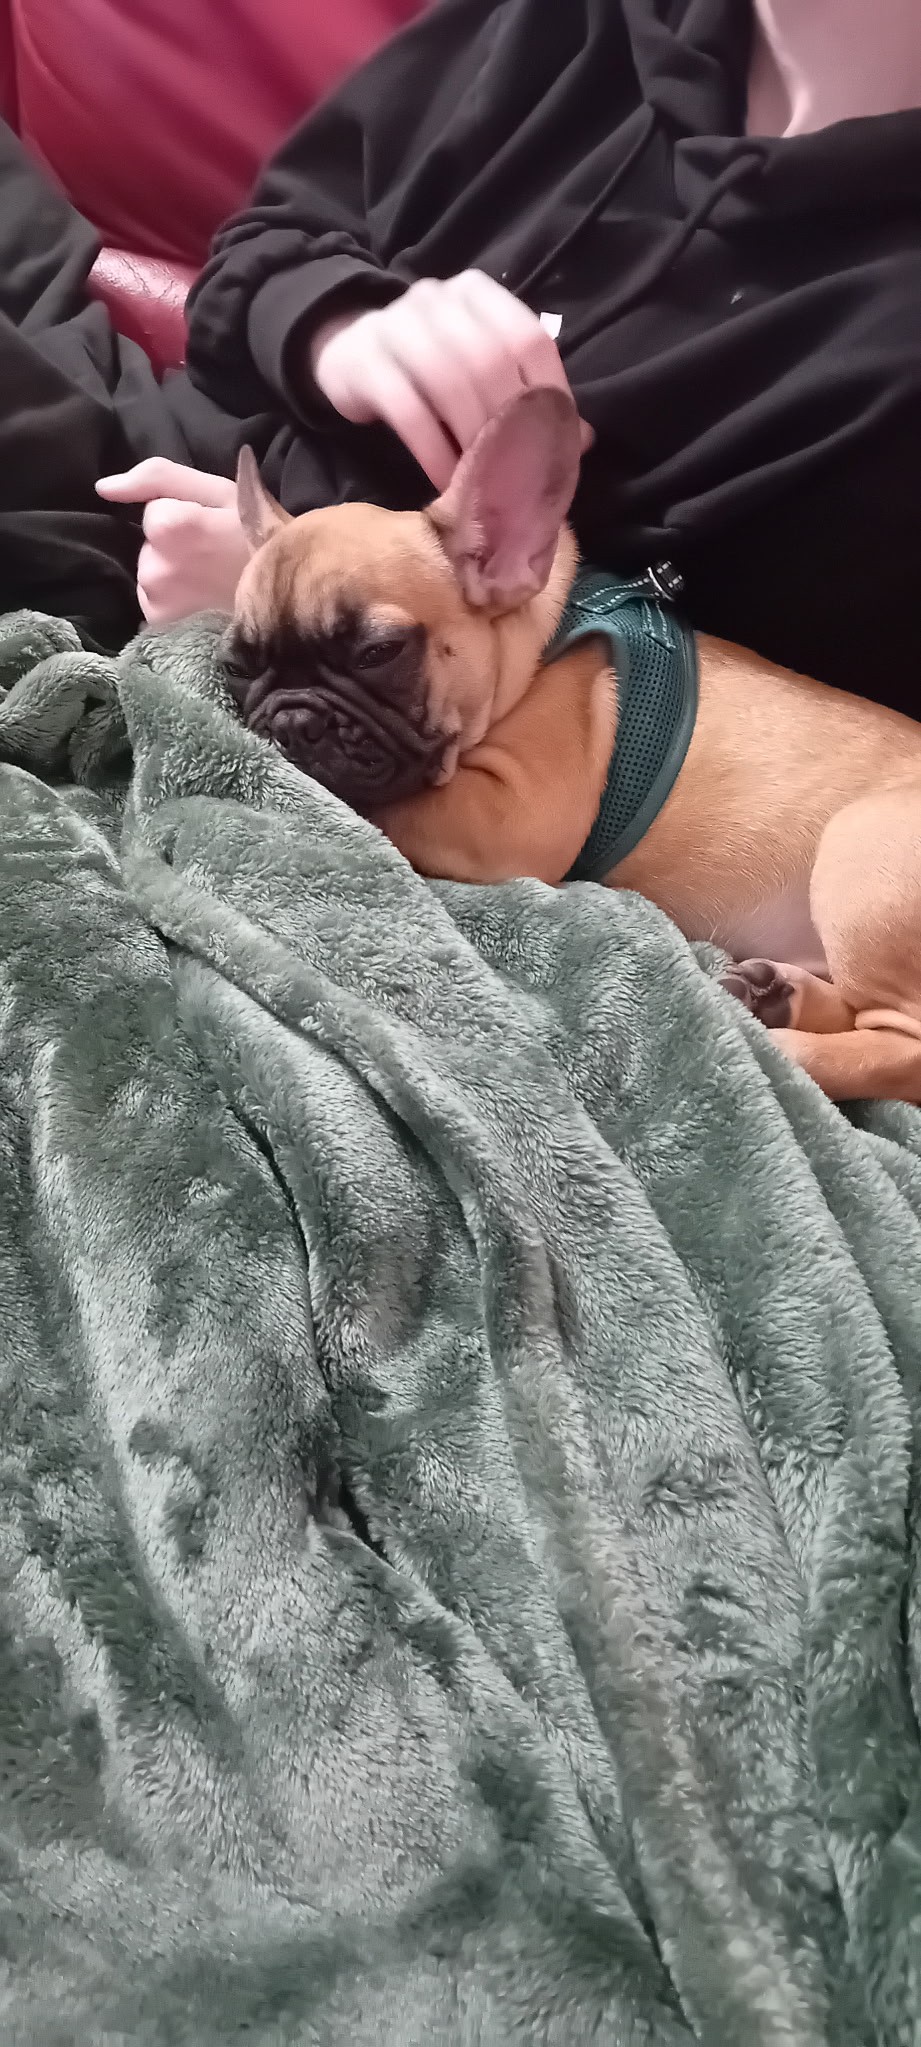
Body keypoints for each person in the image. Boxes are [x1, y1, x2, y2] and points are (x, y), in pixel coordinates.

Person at [4, 0, 921, 711]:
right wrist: (336, 325)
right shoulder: (563, 23)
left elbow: (749, 725)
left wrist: (294, 607)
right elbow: (265, 243)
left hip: (305, 664)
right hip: (166, 440)